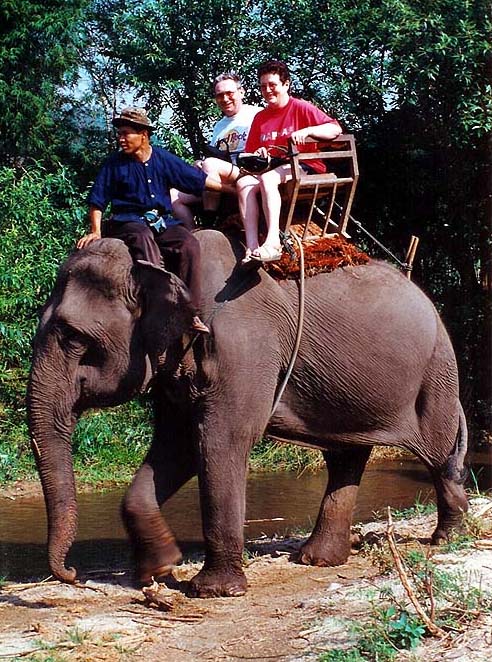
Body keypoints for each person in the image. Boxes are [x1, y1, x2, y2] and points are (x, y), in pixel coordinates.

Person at [77, 106, 235, 333]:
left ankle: (190, 312)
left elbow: (197, 181)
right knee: (142, 238)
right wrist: (95, 231)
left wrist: (232, 190)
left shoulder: (162, 158)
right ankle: (158, 305)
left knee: (189, 243)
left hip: (162, 221)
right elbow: (97, 200)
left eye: (126, 133)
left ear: (143, 135)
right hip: (128, 221)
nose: (121, 139)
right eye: (119, 134)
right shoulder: (114, 164)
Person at [236, 60, 342, 264]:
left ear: (286, 85)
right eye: (263, 86)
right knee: (243, 184)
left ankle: (273, 241)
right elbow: (250, 153)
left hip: (305, 166)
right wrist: (259, 154)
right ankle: (251, 247)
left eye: (272, 85)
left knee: (268, 179)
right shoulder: (260, 117)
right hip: (275, 167)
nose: (267, 90)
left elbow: (335, 129)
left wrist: (310, 131)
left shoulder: (300, 107)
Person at [171, 72, 261, 228]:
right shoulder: (219, 126)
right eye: (220, 95)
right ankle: (196, 237)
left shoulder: (257, 114)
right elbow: (215, 155)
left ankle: (209, 222)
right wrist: (200, 163)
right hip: (222, 177)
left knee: (211, 164)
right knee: (173, 195)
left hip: (249, 172)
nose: (225, 99)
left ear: (241, 92)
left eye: (229, 93)